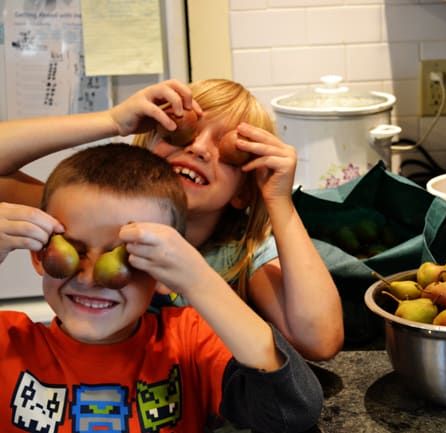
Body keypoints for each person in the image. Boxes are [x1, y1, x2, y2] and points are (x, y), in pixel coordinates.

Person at [0, 78, 343, 361]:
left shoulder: (240, 254)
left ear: (243, 193)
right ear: (146, 148)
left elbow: (319, 339)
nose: (198, 149)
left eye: (228, 152)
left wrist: (278, 200)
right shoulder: (87, 217)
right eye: (180, 132)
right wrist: (111, 121)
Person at [0, 143, 323, 432]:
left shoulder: (188, 344)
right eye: (74, 250)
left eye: (126, 257)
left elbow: (291, 410)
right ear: (39, 256)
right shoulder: (9, 343)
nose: (90, 279)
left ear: (164, 272)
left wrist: (197, 278)